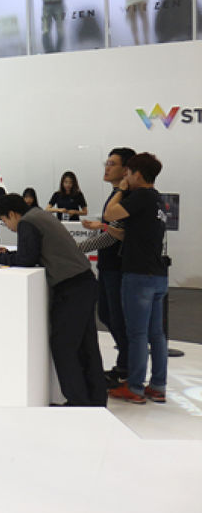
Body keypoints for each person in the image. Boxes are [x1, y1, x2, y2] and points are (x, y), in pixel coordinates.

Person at [0, 194, 106, 407]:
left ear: (12, 214)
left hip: (70, 288)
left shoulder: (27, 222)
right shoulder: (39, 215)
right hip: (84, 282)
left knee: (64, 347)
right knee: (86, 345)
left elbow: (26, 259)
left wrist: (0, 258)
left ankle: (78, 402)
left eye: (5, 221)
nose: (8, 226)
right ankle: (95, 400)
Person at [104, 153, 168, 404]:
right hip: (158, 274)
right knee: (156, 334)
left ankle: (135, 387)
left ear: (137, 174)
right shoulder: (158, 199)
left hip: (138, 275)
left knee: (137, 334)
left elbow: (110, 213)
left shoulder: (140, 196)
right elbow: (132, 234)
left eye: (128, 173)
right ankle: (158, 385)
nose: (126, 177)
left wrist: (120, 190)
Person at [81, 147, 136, 388]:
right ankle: (125, 363)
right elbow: (111, 229)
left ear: (126, 170)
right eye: (107, 162)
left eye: (112, 163)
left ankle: (126, 367)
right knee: (106, 314)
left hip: (118, 267)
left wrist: (78, 248)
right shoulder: (116, 194)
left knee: (117, 317)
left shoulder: (124, 197)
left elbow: (114, 236)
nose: (107, 167)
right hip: (108, 266)